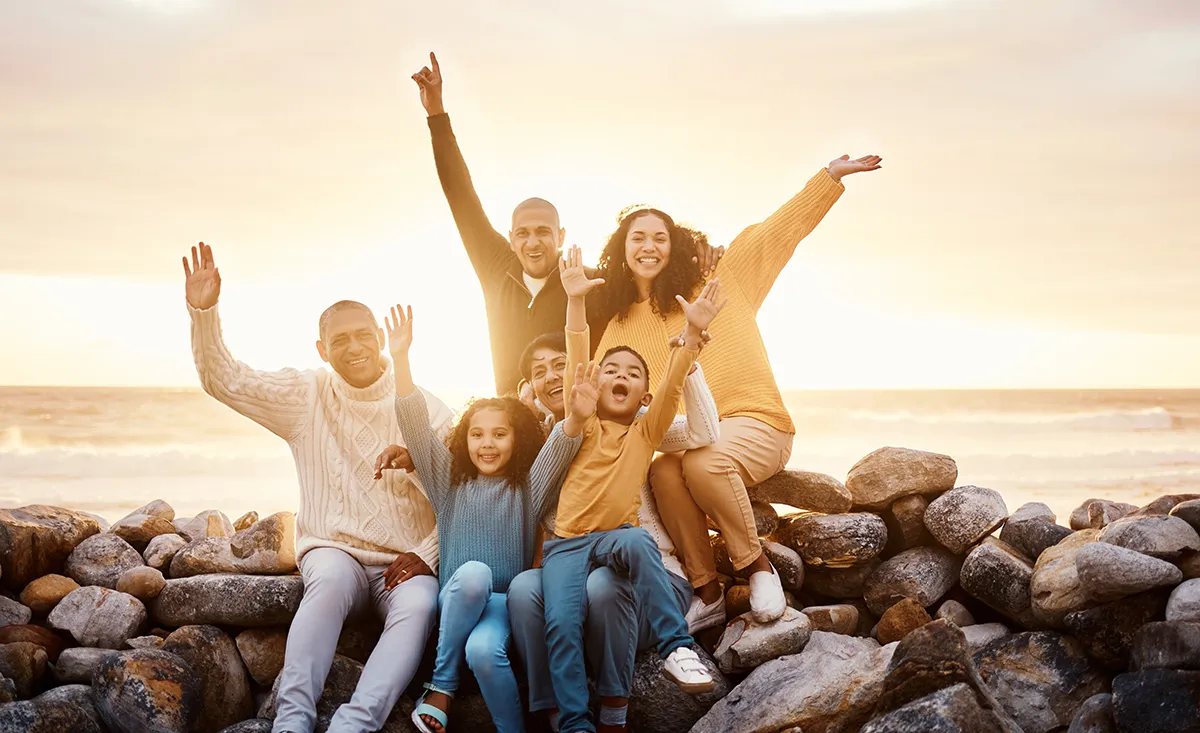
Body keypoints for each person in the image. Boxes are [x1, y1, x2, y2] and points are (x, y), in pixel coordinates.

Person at [590, 155, 883, 628]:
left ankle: (757, 567)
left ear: (676, 244)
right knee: (665, 471)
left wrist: (828, 178)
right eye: (637, 238)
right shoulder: (620, 323)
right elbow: (603, 389)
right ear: (621, 250)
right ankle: (705, 590)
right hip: (692, 432)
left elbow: (777, 233)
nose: (648, 247)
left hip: (756, 421)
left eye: (659, 237)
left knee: (704, 462)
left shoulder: (722, 279)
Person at [181, 242, 454, 733]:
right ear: (322, 350)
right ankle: (292, 720)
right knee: (326, 584)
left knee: (419, 604)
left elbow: (462, 493)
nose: (355, 348)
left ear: (380, 338)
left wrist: (429, 554)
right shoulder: (306, 395)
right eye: (341, 339)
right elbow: (225, 380)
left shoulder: (425, 406)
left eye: (365, 335)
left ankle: (356, 723)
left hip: (405, 558)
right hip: (336, 552)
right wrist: (204, 311)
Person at [411, 52, 722, 393]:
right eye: (524, 234)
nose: (533, 243)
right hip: (513, 416)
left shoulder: (590, 283)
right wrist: (437, 115)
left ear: (561, 235)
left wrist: (696, 252)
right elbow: (460, 196)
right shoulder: (495, 267)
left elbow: (650, 271)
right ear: (511, 238)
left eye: (544, 232)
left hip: (576, 416)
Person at [540, 247, 723, 733]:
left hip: (615, 537)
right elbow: (579, 352)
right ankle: (577, 723)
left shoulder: (646, 431)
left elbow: (672, 383)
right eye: (610, 371)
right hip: (566, 545)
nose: (618, 376)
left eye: (632, 373)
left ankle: (677, 648)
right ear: (592, 385)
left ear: (643, 396)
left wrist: (693, 337)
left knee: (640, 540)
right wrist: (575, 302)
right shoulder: (579, 424)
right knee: (560, 627)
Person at [378, 304, 586, 733]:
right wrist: (401, 359)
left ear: (518, 439)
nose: (486, 444)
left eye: (499, 434)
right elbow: (414, 423)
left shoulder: (529, 486)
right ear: (463, 439)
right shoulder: (447, 481)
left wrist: (578, 415)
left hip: (501, 606)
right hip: (456, 598)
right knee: (472, 574)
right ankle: (441, 685)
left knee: (485, 651)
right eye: (476, 434)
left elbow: (564, 441)